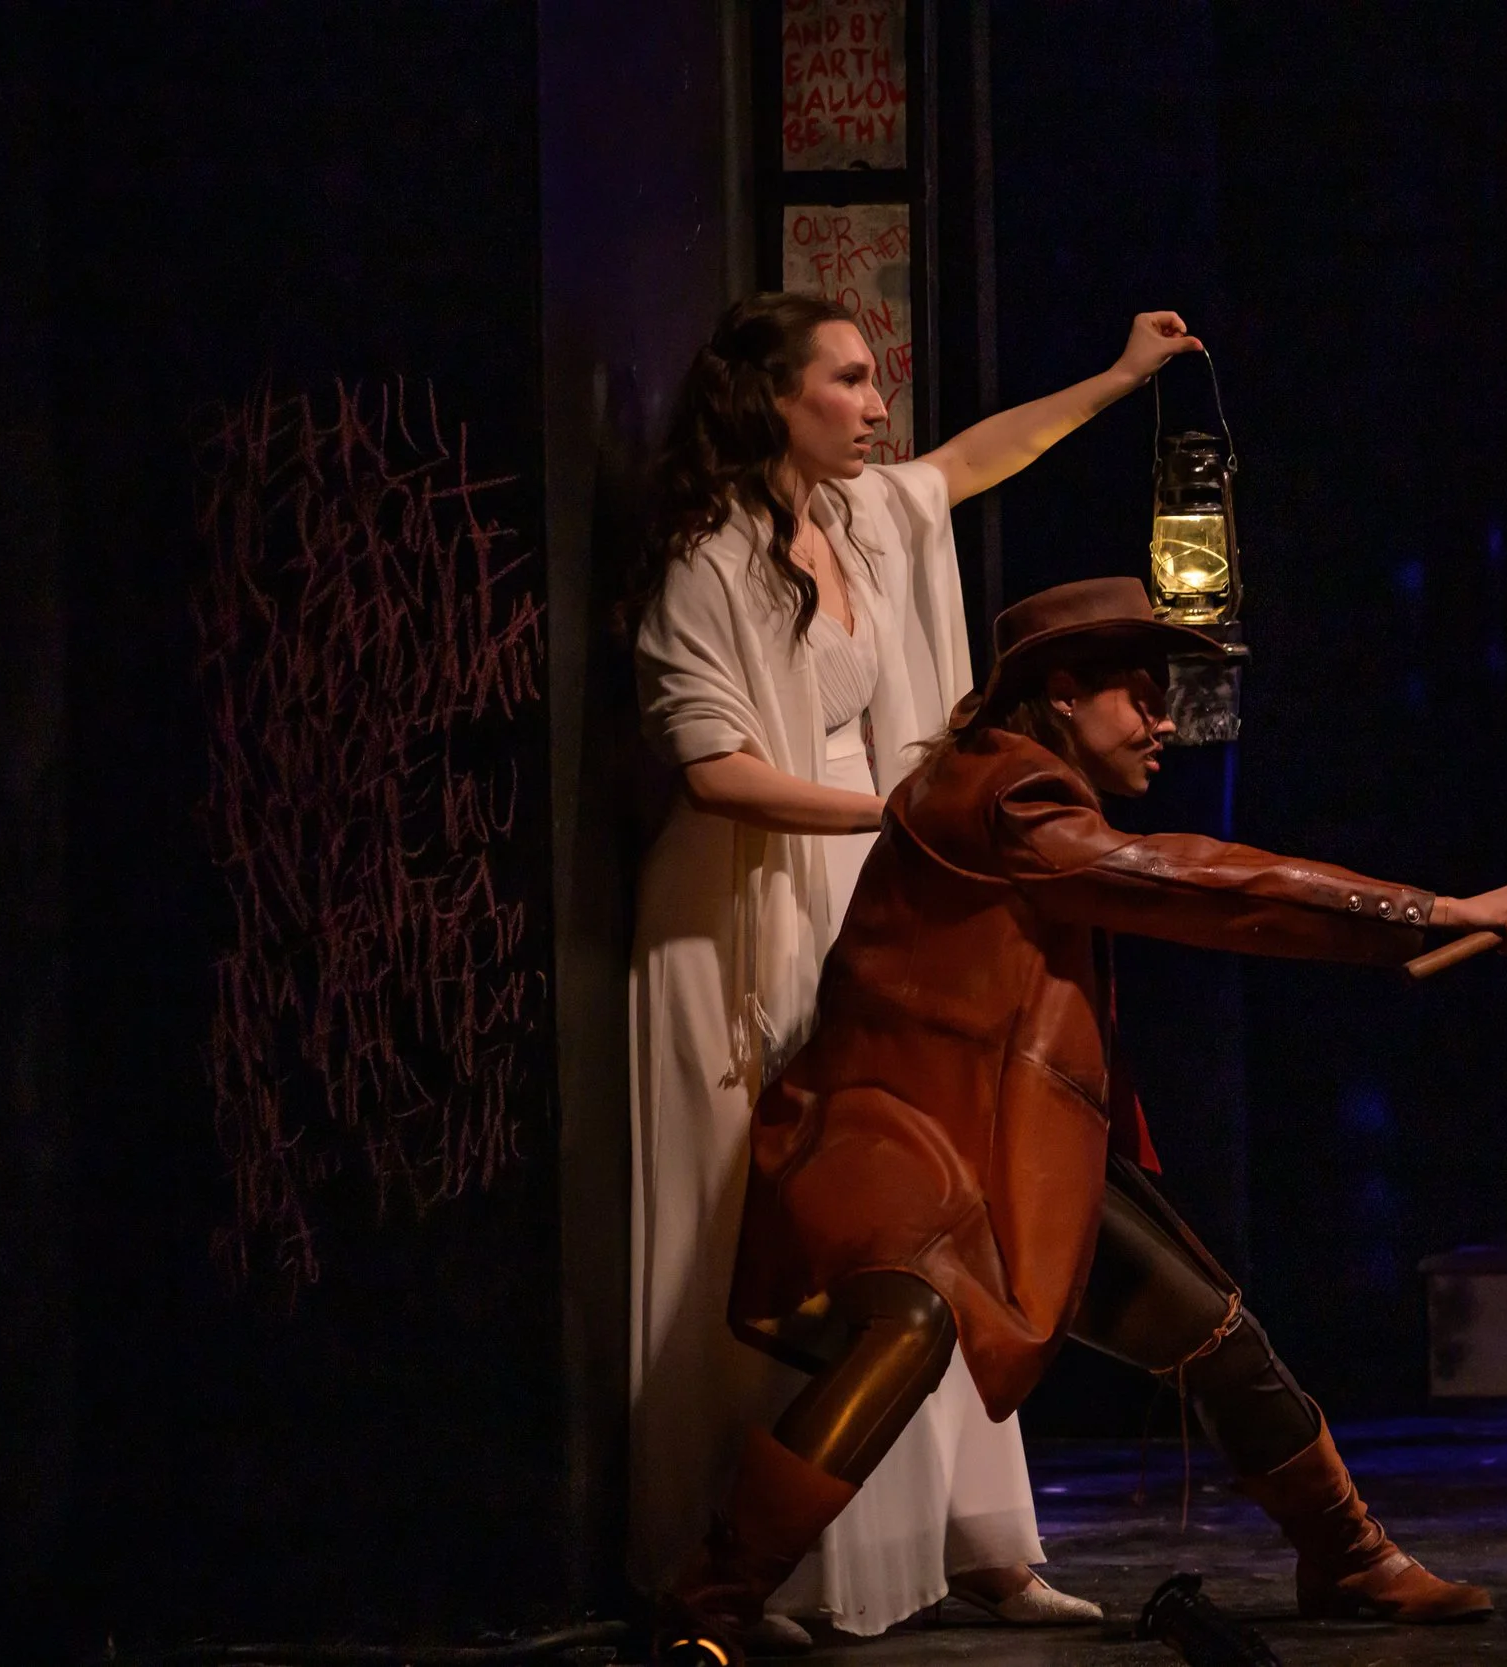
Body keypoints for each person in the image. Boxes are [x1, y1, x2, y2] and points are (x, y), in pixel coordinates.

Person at [662, 576, 1507, 1658]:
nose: (1161, 723)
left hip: (998, 1142)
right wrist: (1435, 910)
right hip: (890, 1134)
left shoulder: (1026, 790)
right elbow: (1197, 881)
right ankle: (715, 1597)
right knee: (908, 1324)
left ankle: (1347, 1553)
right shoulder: (1001, 797)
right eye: (1138, 697)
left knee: (1218, 1337)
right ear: (1059, 695)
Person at [625, 295, 1207, 1649]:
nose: (877, 403)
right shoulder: (711, 559)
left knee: (942, 1210)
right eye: (849, 378)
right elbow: (714, 770)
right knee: (802, 1230)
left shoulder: (865, 519)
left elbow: (974, 460)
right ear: (775, 397)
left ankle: (976, 1536)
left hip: (870, 883)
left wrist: (1119, 376)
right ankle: (763, 1559)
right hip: (751, 907)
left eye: (877, 378)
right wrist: (896, 815)